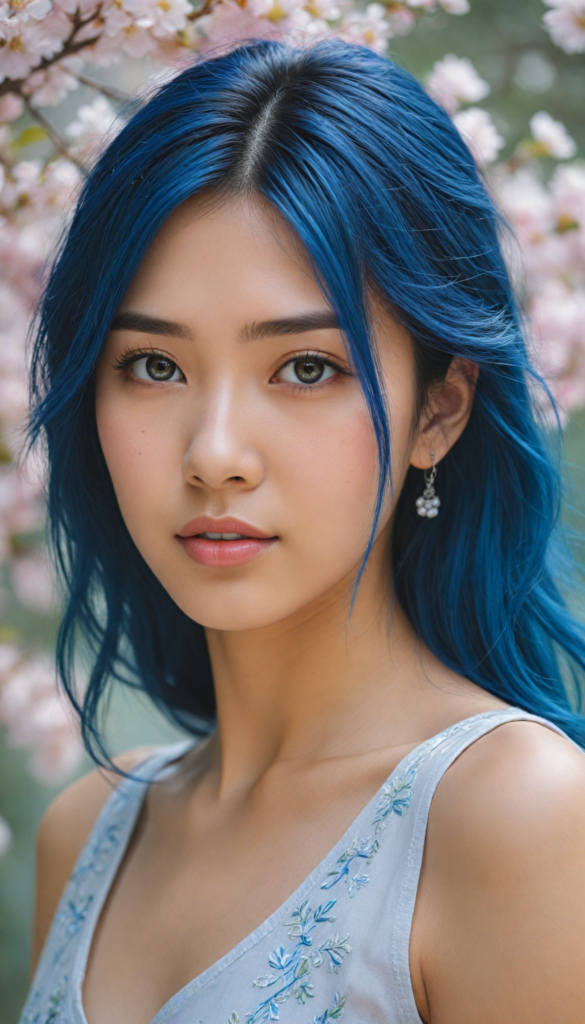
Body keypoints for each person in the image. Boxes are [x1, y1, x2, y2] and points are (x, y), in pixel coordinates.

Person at [20, 39, 585, 1024]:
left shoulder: (516, 820)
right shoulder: (88, 837)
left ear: (438, 411)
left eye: (307, 367)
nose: (216, 453)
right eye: (154, 366)